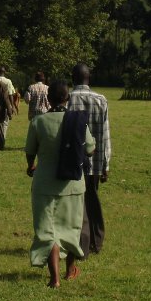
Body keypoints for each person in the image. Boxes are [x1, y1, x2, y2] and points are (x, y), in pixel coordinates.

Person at [25, 80, 95, 288]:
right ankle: (70, 271)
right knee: (71, 229)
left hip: (44, 185)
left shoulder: (38, 122)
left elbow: (30, 152)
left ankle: (54, 279)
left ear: (48, 99)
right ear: (68, 98)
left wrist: (31, 166)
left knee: (47, 231)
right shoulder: (77, 121)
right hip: (72, 184)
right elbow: (90, 149)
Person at [68, 63, 111, 258]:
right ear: (88, 78)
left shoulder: (67, 99)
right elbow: (106, 134)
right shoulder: (101, 100)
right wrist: (106, 164)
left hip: (72, 160)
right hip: (95, 162)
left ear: (72, 78)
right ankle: (97, 241)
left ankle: (80, 243)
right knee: (92, 199)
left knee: (76, 203)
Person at [0, 66, 16, 139]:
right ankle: (2, 138)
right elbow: (11, 94)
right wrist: (12, 106)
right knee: (5, 123)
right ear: (4, 72)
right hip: (5, 105)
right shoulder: (8, 81)